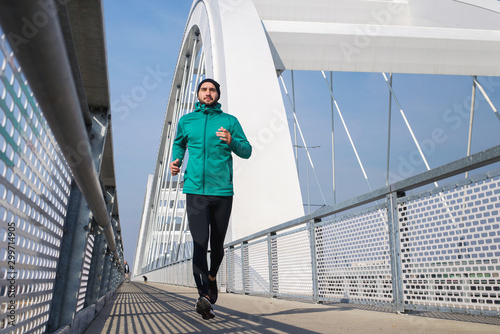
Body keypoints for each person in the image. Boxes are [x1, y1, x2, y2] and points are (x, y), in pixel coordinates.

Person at [170, 78, 252, 320]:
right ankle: (204, 296)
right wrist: (176, 162)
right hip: (195, 191)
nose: (208, 93)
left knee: (216, 246)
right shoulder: (187, 121)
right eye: (204, 90)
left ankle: (212, 276)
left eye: (212, 90)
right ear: (197, 94)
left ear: (217, 94)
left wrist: (231, 140)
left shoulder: (229, 121)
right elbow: (178, 145)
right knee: (198, 244)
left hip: (222, 193)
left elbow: (246, 151)